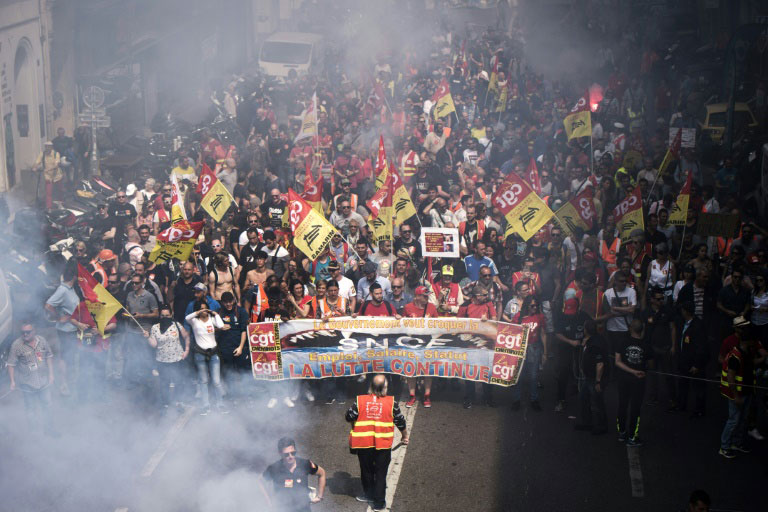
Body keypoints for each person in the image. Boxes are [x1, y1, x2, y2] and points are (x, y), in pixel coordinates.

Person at [346, 374, 409, 511]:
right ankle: (379, 504)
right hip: (383, 444)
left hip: (363, 443)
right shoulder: (392, 403)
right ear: (385, 387)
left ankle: (368, 495)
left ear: (371, 387)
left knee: (367, 471)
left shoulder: (359, 400)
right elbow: (400, 421)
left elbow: (349, 416)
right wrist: (405, 436)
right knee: (380, 474)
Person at [7, 323, 57, 436]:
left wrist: (51, 375)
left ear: (34, 331)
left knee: (47, 406)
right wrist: (12, 381)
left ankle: (49, 429)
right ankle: (34, 432)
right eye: (23, 332)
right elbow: (11, 364)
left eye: (28, 332)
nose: (25, 334)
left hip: (44, 381)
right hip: (27, 383)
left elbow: (49, 356)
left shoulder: (42, 341)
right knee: (31, 409)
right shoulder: (17, 345)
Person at [719, 317, 757, 458]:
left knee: (742, 419)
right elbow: (731, 377)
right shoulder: (736, 356)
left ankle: (736, 442)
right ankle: (724, 446)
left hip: (746, 392)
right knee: (734, 420)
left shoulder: (746, 352)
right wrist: (736, 395)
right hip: (738, 394)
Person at [44, 265, 81, 396]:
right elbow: (48, 305)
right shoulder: (63, 289)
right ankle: (63, 384)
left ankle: (71, 381)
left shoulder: (71, 289)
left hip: (72, 329)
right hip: (66, 330)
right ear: (74, 277)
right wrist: (58, 317)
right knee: (65, 357)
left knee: (71, 356)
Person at [458, 286, 497, 409]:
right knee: (470, 371)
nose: (487, 297)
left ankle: (488, 397)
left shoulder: (489, 304)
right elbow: (459, 323)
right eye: (484, 295)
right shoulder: (465, 306)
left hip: (486, 344)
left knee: (486, 370)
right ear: (476, 296)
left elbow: (495, 320)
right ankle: (469, 398)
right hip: (470, 343)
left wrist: (487, 321)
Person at [263, 437, 326, 512]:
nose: (290, 457)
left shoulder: (305, 464)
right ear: (280, 453)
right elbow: (261, 481)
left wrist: (320, 496)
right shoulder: (274, 468)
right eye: (286, 454)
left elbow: (322, 473)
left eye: (293, 453)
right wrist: (268, 501)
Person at [186, 300, 226, 415]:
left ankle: (220, 404)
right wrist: (198, 312)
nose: (204, 311)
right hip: (200, 353)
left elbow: (221, 326)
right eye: (201, 309)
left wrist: (215, 314)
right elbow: (187, 318)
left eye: (205, 308)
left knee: (216, 381)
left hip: (213, 353)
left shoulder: (212, 319)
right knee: (203, 381)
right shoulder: (194, 321)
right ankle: (205, 406)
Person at [615, 319, 651, 446]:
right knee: (635, 408)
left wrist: (629, 370)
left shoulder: (622, 341)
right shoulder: (646, 344)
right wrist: (635, 371)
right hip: (638, 380)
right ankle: (632, 436)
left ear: (631, 329)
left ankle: (622, 433)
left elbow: (617, 361)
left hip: (624, 379)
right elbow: (649, 363)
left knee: (623, 405)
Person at [147, 305, 190, 410]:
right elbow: (154, 344)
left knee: (178, 381)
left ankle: (178, 401)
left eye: (167, 315)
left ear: (171, 315)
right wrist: (148, 336)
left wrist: (187, 350)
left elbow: (186, 336)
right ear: (159, 316)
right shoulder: (155, 328)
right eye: (162, 315)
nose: (165, 317)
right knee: (164, 383)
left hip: (177, 359)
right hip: (162, 360)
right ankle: (166, 404)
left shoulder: (177, 325)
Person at [510, 296, 548, 411]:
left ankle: (534, 399)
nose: (535, 308)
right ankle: (516, 400)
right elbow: (511, 332)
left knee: (533, 376)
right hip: (520, 349)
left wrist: (545, 352)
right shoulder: (518, 317)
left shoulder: (540, 316)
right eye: (532, 306)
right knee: (519, 376)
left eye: (536, 305)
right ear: (526, 305)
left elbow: (543, 334)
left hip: (534, 348)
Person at [670, 301, 708, 416]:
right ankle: (682, 405)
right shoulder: (683, 322)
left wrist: (697, 364)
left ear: (685, 311)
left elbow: (702, 347)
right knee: (683, 384)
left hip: (694, 362)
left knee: (698, 386)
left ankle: (699, 410)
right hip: (684, 360)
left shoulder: (698, 326)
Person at [403, 286, 438, 408]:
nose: (427, 297)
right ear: (417, 296)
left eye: (427, 295)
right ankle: (412, 395)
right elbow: (402, 326)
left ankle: (427, 395)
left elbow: (438, 325)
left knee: (427, 369)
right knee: (411, 369)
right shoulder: (408, 308)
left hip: (427, 343)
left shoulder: (432, 307)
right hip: (412, 343)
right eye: (424, 295)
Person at [574, 319, 608, 435]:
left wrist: (598, 381)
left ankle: (601, 427)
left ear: (586, 330)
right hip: (589, 377)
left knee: (597, 402)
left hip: (594, 378)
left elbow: (600, 364)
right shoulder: (592, 340)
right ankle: (587, 423)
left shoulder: (595, 344)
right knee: (583, 399)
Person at [35, 141, 63, 209]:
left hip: (57, 175)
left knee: (60, 190)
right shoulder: (43, 154)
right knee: (48, 192)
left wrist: (48, 169)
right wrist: (34, 167)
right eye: (46, 147)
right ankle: (49, 207)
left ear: (51, 147)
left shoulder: (56, 154)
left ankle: (60, 203)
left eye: (49, 147)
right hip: (48, 176)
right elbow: (37, 162)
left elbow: (56, 165)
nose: (47, 148)